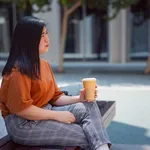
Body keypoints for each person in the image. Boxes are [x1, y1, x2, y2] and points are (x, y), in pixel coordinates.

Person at [0, 16, 111, 150]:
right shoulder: (16, 71)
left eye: (46, 34)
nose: (47, 39)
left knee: (89, 105)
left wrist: (79, 98)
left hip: (45, 111)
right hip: (23, 125)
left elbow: (55, 97)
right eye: (41, 36)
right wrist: (58, 116)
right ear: (28, 40)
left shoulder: (44, 65)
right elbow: (22, 110)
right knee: (87, 135)